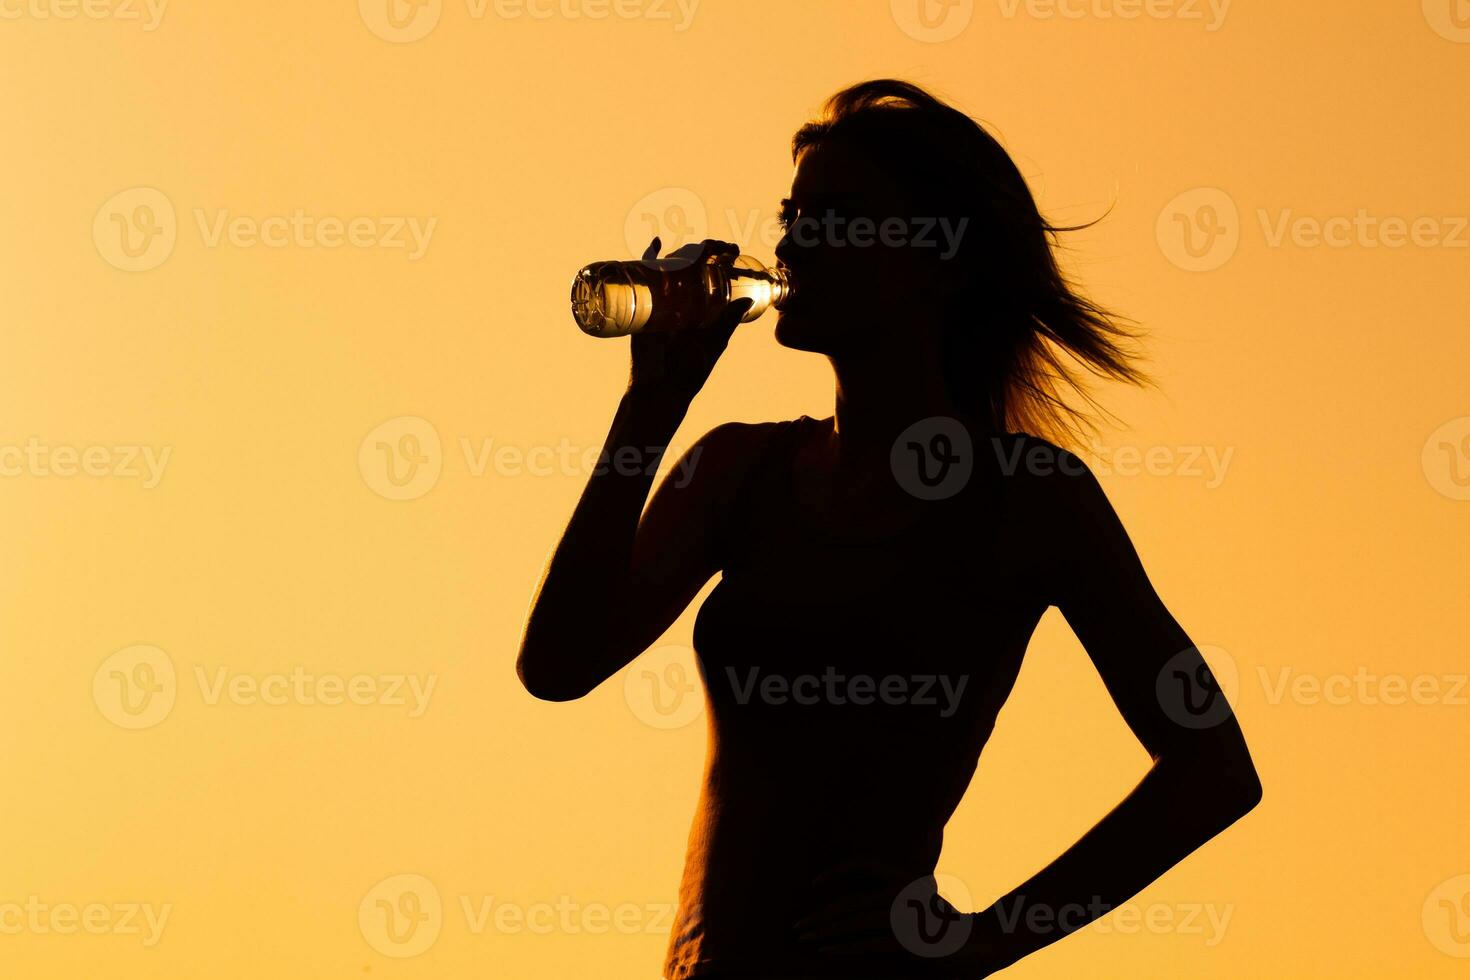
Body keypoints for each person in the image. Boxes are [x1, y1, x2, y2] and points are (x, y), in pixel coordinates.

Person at [517, 79, 1262, 979]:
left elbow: (1213, 766)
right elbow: (557, 666)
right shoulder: (736, 471)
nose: (792, 242)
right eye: (793, 212)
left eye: (836, 216)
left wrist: (986, 936)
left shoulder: (1031, 499)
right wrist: (648, 408)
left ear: (936, 257)